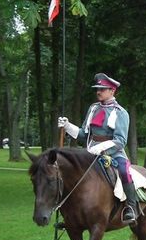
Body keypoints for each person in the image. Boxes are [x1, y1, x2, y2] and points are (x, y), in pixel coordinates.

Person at [57, 73, 137, 224]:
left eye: (102, 89)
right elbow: (83, 134)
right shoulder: (93, 108)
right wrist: (67, 126)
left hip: (113, 153)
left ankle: (131, 207)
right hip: (90, 151)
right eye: (97, 89)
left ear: (112, 91)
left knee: (124, 171)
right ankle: (71, 213)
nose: (98, 91)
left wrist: (100, 149)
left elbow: (120, 141)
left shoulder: (121, 113)